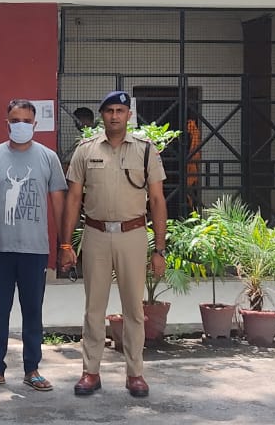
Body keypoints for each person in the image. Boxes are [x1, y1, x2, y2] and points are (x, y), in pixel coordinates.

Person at [60, 90, 167, 398]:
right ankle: (90, 372)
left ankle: (135, 373)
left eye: (120, 110)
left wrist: (159, 249)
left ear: (129, 116)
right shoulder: (86, 150)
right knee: (94, 308)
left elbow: (157, 200)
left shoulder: (145, 151)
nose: (115, 116)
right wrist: (66, 245)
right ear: (102, 116)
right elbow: (73, 199)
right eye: (109, 111)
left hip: (133, 235)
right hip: (95, 235)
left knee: (133, 308)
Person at [0, 99, 68, 393]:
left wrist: (64, 244)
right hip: (0, 249)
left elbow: (59, 205)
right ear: (7, 123)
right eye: (15, 120)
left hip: (35, 250)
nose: (21, 125)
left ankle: (32, 369)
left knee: (33, 312)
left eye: (26, 121)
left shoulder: (48, 158)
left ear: (35, 124)